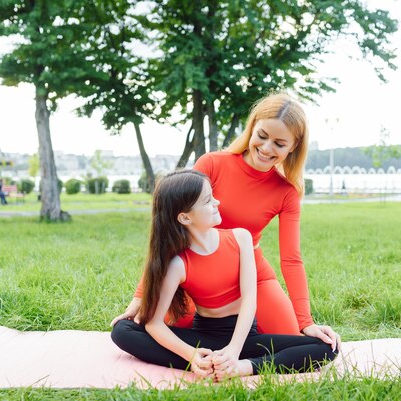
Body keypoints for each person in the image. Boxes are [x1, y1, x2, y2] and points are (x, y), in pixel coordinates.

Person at [120, 93, 339, 348]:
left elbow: (291, 259)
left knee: (292, 339)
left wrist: (305, 321)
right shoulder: (212, 163)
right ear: (252, 127)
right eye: (263, 136)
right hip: (197, 271)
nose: (267, 148)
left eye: (279, 143)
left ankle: (233, 351)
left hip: (252, 272)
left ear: (294, 146)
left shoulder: (287, 192)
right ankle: (215, 350)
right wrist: (141, 295)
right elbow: (169, 228)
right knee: (142, 327)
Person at [111, 170, 338, 380]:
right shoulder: (178, 264)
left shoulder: (241, 238)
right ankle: (206, 364)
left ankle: (242, 367)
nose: (217, 202)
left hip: (244, 337)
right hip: (204, 337)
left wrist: (234, 351)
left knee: (327, 347)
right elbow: (154, 323)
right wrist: (191, 355)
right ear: (185, 218)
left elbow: (250, 298)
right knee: (122, 331)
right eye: (208, 200)